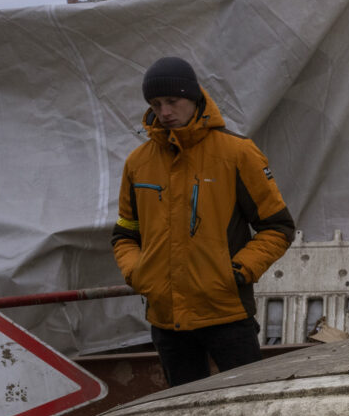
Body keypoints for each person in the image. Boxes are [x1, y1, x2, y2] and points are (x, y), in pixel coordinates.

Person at [112, 56, 294, 386]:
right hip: (167, 322)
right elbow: (125, 232)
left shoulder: (237, 153)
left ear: (194, 97)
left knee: (248, 409)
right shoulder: (138, 163)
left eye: (172, 101)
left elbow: (278, 227)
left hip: (226, 313)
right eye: (156, 103)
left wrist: (237, 272)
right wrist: (138, 273)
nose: (164, 112)